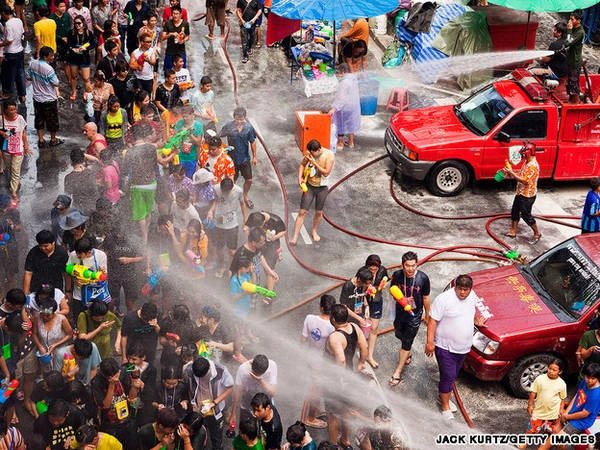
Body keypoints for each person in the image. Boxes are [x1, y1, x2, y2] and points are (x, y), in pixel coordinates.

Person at [425, 274, 487, 419]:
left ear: (470, 289)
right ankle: (445, 406)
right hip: (444, 346)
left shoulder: (472, 296)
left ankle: (444, 396)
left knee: (453, 375)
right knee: (448, 376)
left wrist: (477, 321)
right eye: (460, 289)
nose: (462, 292)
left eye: (466, 289)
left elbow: (471, 311)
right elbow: (432, 320)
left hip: (463, 347)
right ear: (455, 287)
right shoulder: (444, 299)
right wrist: (429, 342)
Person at [325, 303, 368, 449]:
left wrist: (340, 380)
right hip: (350, 376)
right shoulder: (355, 328)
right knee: (345, 410)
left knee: (332, 415)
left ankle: (333, 445)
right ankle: (345, 440)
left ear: (333, 320)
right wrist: (361, 363)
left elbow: (341, 359)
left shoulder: (335, 337)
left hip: (336, 380)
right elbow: (364, 346)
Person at [389, 251, 430, 386]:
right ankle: (408, 352)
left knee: (406, 342)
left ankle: (397, 373)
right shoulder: (397, 275)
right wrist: (401, 300)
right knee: (399, 334)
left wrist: (427, 315)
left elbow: (425, 298)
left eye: (413, 265)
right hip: (400, 313)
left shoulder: (423, 278)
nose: (411, 269)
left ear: (416, 265)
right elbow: (393, 290)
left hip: (415, 315)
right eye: (407, 266)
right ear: (402, 265)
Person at [539, 363, 600, 450]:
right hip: (572, 413)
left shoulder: (596, 394)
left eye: (593, 378)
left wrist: (567, 416)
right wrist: (566, 413)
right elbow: (576, 396)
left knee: (557, 438)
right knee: (555, 431)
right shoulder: (584, 382)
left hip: (582, 421)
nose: (589, 380)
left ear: (597, 378)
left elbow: (584, 414)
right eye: (587, 377)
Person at [289, 139, 335, 245]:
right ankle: (295, 237)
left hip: (322, 187)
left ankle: (314, 231)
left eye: (313, 153)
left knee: (319, 212)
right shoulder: (310, 153)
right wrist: (300, 177)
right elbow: (302, 164)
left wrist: (315, 163)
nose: (311, 155)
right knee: (302, 212)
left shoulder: (329, 155)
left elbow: (326, 173)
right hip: (310, 185)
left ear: (319, 149)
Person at [185, 356, 234, 450]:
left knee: (216, 438)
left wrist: (214, 403)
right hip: (198, 409)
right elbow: (189, 386)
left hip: (215, 409)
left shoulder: (220, 370)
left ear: (208, 369)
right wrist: (193, 403)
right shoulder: (189, 369)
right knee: (198, 435)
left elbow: (230, 387)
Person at [120, 122, 159, 244]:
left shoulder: (130, 152)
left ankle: (144, 238)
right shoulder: (152, 148)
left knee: (140, 214)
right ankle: (147, 230)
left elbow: (125, 172)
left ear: (132, 136)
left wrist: (123, 188)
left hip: (138, 185)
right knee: (148, 210)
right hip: (152, 183)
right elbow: (154, 164)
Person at [301, 294, 335, 429]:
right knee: (315, 390)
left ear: (320, 307)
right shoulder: (332, 327)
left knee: (317, 388)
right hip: (323, 363)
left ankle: (316, 410)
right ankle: (310, 418)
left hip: (310, 358)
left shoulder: (309, 318)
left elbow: (303, 340)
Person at [516, 359, 566, 450]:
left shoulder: (562, 384)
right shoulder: (540, 379)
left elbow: (562, 398)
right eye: (549, 368)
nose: (551, 371)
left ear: (560, 371)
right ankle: (525, 443)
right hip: (539, 411)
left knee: (551, 432)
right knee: (531, 429)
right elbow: (533, 393)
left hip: (553, 414)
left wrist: (561, 409)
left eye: (554, 370)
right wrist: (530, 405)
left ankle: (546, 444)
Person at [91, 358, 136, 450]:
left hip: (127, 420)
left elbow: (133, 367)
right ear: (104, 375)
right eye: (111, 377)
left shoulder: (123, 370)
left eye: (117, 374)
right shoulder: (96, 382)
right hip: (110, 426)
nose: (117, 378)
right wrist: (112, 384)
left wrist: (136, 379)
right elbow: (105, 406)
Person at [208, 177, 247, 278]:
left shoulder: (238, 191)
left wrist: (245, 219)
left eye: (227, 191)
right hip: (219, 220)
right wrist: (211, 211)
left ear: (232, 188)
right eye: (223, 191)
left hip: (232, 222)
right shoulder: (216, 188)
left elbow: (242, 204)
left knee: (232, 251)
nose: (225, 193)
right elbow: (215, 201)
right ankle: (222, 266)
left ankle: (232, 268)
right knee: (219, 248)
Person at [504, 142, 541, 244]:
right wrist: (510, 172)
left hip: (528, 195)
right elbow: (521, 174)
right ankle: (513, 231)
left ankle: (537, 233)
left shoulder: (533, 166)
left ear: (529, 153)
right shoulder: (527, 162)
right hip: (520, 192)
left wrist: (511, 173)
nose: (522, 155)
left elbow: (525, 180)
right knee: (514, 211)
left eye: (524, 153)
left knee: (526, 215)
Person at [220, 106, 257, 209]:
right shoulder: (228, 126)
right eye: (237, 119)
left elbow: (253, 142)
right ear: (234, 117)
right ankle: (230, 197)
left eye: (241, 119)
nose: (239, 121)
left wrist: (254, 157)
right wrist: (224, 148)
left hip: (245, 158)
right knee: (232, 180)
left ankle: (245, 196)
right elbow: (219, 137)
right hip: (232, 159)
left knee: (249, 180)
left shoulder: (249, 128)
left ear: (244, 118)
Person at [65, 236, 109, 320]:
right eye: (76, 252)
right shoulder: (73, 255)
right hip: (79, 295)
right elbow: (68, 271)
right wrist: (75, 280)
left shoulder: (101, 255)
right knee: (79, 320)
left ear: (89, 252)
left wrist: (101, 274)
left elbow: (104, 277)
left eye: (80, 254)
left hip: (96, 294)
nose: (77, 255)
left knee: (96, 319)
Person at [28, 46, 63, 148]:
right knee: (52, 121)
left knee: (39, 119)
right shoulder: (48, 69)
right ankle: (53, 140)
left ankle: (41, 140)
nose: (52, 57)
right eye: (51, 56)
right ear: (45, 56)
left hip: (37, 98)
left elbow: (28, 76)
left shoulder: (32, 64)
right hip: (49, 99)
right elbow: (56, 82)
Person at [230, 354, 277, 429]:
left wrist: (260, 381)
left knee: (265, 431)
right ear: (251, 364)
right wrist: (233, 413)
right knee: (245, 429)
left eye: (260, 374)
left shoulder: (272, 365)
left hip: (264, 406)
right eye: (254, 373)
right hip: (247, 404)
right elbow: (238, 391)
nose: (255, 375)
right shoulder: (243, 369)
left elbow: (273, 393)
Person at [244, 211, 286, 293]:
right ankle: (252, 289)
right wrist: (246, 230)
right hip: (257, 244)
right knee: (253, 267)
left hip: (271, 245)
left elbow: (283, 231)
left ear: (264, 222)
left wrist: (275, 237)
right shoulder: (253, 217)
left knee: (269, 268)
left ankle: (270, 292)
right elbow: (246, 226)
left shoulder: (276, 220)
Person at [360, 255, 388, 369]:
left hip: (376, 299)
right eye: (370, 269)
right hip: (364, 299)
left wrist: (383, 284)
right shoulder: (362, 272)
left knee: (374, 328)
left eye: (375, 269)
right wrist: (365, 305)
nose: (373, 271)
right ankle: (361, 350)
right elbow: (360, 290)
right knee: (362, 326)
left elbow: (386, 279)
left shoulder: (382, 270)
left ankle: (369, 356)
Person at [1, 100, 31, 201]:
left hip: (18, 149)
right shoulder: (2, 119)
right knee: (9, 169)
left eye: (14, 109)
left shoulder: (20, 119)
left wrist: (26, 147)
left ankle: (13, 191)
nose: (13, 111)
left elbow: (23, 133)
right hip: (6, 149)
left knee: (15, 170)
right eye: (11, 110)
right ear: (5, 110)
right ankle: (16, 181)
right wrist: (2, 133)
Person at [24, 229, 69, 295]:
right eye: (40, 246)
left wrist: (68, 291)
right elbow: (28, 273)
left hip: (56, 289)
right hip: (37, 289)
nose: (43, 248)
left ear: (53, 243)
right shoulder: (33, 253)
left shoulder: (61, 253)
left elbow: (66, 273)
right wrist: (25, 295)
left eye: (46, 246)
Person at [328, 63, 360, 150]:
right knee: (351, 123)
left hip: (345, 106)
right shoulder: (353, 78)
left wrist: (334, 108)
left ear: (343, 71)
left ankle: (340, 143)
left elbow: (341, 98)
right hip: (354, 105)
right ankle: (351, 142)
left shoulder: (344, 82)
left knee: (340, 122)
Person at [66, 14, 95, 101]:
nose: (77, 25)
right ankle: (74, 91)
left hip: (84, 58)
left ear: (83, 23)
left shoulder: (88, 33)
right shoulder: (71, 33)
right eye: (75, 23)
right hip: (74, 57)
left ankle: (88, 94)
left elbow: (93, 43)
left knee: (86, 78)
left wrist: (86, 48)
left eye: (79, 23)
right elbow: (68, 44)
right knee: (74, 76)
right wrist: (72, 48)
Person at [0, 7, 26, 103]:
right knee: (20, 73)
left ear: (4, 13)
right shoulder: (18, 20)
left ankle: (7, 92)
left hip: (11, 52)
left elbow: (9, 40)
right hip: (19, 50)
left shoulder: (8, 24)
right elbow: (22, 33)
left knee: (8, 74)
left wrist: (1, 44)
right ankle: (22, 94)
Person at [64, 148, 99, 215]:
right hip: (94, 208)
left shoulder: (68, 178)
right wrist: (83, 155)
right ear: (83, 159)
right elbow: (96, 160)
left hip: (79, 210)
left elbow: (67, 197)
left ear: (71, 161)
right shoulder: (91, 172)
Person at [0, 194, 21, 291]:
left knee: (10, 274)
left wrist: (12, 225)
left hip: (10, 245)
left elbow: (19, 228)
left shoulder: (14, 212)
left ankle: (9, 297)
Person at [564, 10, 584, 104]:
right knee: (569, 82)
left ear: (578, 20)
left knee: (573, 83)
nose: (570, 21)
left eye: (572, 19)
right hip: (570, 60)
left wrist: (569, 30)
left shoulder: (580, 32)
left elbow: (567, 43)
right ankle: (570, 100)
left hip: (575, 62)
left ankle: (575, 102)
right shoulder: (575, 30)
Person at [161, 5, 190, 70]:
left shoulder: (185, 24)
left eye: (177, 14)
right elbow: (162, 38)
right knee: (168, 72)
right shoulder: (168, 23)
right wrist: (170, 34)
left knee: (182, 71)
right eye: (173, 13)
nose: (175, 15)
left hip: (181, 51)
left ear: (180, 15)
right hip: (170, 51)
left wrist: (183, 41)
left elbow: (188, 36)